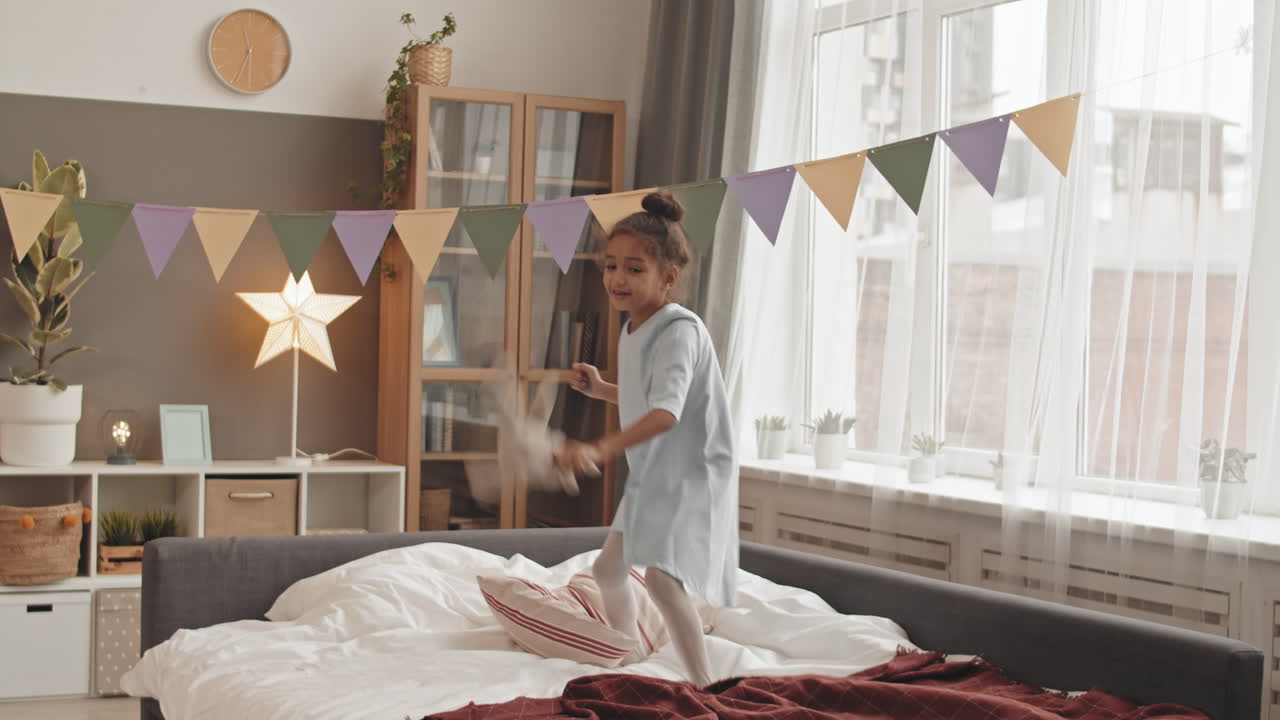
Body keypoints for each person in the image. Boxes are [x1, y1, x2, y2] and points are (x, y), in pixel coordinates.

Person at [555, 191, 737, 687]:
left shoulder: (678, 330)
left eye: (634, 269)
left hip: (691, 470)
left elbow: (666, 413)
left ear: (668, 278)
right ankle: (630, 663)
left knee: (659, 577)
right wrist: (603, 389)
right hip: (658, 470)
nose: (617, 279)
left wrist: (598, 448)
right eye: (610, 266)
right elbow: (646, 396)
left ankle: (706, 685)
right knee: (609, 568)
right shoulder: (636, 326)